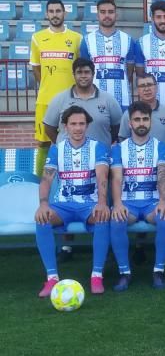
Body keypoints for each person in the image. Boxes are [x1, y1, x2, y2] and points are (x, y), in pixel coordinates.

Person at [33, 106, 111, 297]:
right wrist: (43, 204)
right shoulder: (56, 149)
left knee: (102, 216)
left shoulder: (97, 147)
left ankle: (96, 275)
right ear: (65, 127)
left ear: (87, 125)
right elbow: (46, 179)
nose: (78, 128)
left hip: (89, 204)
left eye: (81, 124)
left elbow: (102, 176)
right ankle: (52, 278)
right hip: (63, 204)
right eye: (73, 124)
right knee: (42, 219)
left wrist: (102, 202)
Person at [109, 101, 165, 291]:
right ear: (129, 123)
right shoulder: (118, 148)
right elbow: (117, 178)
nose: (141, 123)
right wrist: (118, 203)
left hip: (152, 201)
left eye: (145, 119)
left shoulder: (160, 147)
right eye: (137, 119)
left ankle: (158, 271)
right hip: (128, 202)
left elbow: (162, 175)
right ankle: (124, 273)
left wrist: (163, 201)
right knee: (116, 218)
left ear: (151, 122)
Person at [30, 0, 83, 176]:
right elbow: (36, 67)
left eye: (58, 11)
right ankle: (38, 182)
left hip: (71, 101)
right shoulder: (37, 38)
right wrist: (47, 85)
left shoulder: (76, 38)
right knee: (44, 142)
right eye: (51, 12)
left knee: (73, 140)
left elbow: (81, 68)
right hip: (45, 100)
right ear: (47, 14)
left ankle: (70, 177)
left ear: (64, 13)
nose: (55, 15)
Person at [43, 58, 122, 147]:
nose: (83, 76)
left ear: (93, 74)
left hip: (100, 157)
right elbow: (49, 128)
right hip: (68, 157)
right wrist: (63, 144)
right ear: (74, 75)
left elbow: (118, 128)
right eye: (79, 72)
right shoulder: (59, 99)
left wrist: (103, 145)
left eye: (87, 72)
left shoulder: (109, 100)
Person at [80, 0, 136, 110]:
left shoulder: (127, 40)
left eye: (111, 12)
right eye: (103, 12)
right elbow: (84, 72)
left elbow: (129, 71)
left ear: (116, 15)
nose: (107, 15)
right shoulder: (87, 41)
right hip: (94, 99)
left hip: (122, 100)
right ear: (97, 15)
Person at [119, 73, 165, 149]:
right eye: (142, 86)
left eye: (149, 85)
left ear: (156, 87)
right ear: (137, 90)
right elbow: (122, 138)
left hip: (164, 159)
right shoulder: (128, 114)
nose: (147, 89)